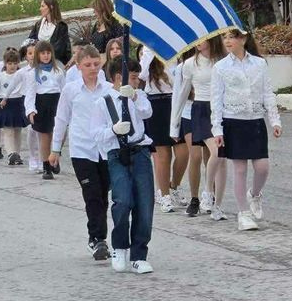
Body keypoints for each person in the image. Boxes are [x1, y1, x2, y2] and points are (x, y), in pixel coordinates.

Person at [211, 29, 282, 232]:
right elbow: (216, 100)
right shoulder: (220, 67)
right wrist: (217, 129)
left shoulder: (259, 64)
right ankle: (243, 214)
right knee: (240, 169)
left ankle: (255, 194)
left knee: (262, 167)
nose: (227, 41)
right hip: (233, 121)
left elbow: (268, 92)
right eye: (224, 38)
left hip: (255, 121)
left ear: (243, 39)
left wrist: (275, 121)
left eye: (232, 37)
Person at [91, 57, 154, 274]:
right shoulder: (104, 102)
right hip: (117, 154)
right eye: (134, 78)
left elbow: (147, 112)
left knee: (144, 204)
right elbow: (97, 133)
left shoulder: (139, 96)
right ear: (119, 77)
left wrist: (134, 96)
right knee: (122, 200)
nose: (137, 81)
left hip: (140, 151)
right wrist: (113, 130)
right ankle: (119, 246)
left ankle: (139, 254)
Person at [50, 45, 112, 260]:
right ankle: (97, 239)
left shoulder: (109, 89)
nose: (92, 68)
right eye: (87, 65)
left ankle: (100, 235)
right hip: (81, 150)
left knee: (103, 195)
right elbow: (61, 119)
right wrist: (55, 149)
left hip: (104, 149)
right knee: (92, 194)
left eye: (96, 64)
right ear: (79, 66)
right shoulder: (71, 90)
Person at [170, 36, 228, 220]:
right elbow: (181, 94)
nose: (197, 42)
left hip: (219, 110)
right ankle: (197, 197)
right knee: (196, 155)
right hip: (197, 111)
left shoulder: (223, 61)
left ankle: (213, 198)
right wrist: (174, 125)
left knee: (216, 156)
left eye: (202, 39)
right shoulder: (188, 64)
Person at [140, 49, 189, 213]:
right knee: (163, 154)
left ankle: (174, 186)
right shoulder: (148, 51)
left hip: (176, 102)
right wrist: (151, 50)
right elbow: (141, 74)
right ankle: (164, 194)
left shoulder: (179, 50)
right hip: (157, 102)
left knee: (183, 152)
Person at [24, 40, 66, 180]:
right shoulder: (33, 73)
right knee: (44, 137)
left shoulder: (58, 71)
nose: (46, 56)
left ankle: (55, 158)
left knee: (57, 134)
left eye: (48, 53)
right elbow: (30, 94)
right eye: (43, 53)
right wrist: (30, 110)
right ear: (37, 55)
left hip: (56, 103)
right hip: (41, 104)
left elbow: (64, 90)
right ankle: (46, 166)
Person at [0, 49, 28, 165]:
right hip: (5, 105)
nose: (13, 66)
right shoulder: (0, 77)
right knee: (8, 131)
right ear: (5, 63)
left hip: (18, 103)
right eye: (10, 63)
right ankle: (10, 153)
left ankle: (17, 154)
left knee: (17, 131)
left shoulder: (21, 75)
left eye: (15, 63)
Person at [17, 42, 42, 172]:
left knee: (41, 131)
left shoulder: (44, 69)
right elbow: (13, 85)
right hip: (26, 100)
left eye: (35, 53)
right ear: (26, 56)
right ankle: (33, 156)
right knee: (31, 130)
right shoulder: (22, 72)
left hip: (40, 100)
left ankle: (42, 158)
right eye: (30, 53)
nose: (33, 56)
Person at [28, 0, 71, 65]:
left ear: (51, 7)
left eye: (42, 6)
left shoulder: (61, 26)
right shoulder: (39, 24)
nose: (40, 9)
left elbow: (59, 49)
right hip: (39, 59)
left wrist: (43, 54)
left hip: (55, 61)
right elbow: (30, 40)